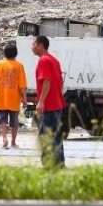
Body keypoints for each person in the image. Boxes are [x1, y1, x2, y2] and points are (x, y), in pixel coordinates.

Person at [32, 35, 66, 168]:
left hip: (50, 106)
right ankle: (59, 163)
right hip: (57, 103)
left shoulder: (44, 61)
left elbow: (46, 81)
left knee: (44, 136)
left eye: (34, 44)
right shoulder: (54, 60)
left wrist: (41, 102)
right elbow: (60, 81)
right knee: (56, 136)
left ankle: (48, 165)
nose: (32, 47)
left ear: (41, 45)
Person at [0, 44, 27, 149]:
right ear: (16, 54)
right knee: (14, 122)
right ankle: (13, 142)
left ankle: (4, 138)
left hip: (1, 98)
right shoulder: (19, 66)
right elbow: (22, 85)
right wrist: (24, 98)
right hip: (14, 99)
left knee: (2, 120)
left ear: (4, 53)